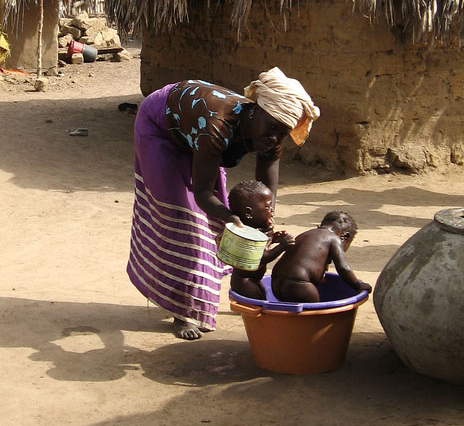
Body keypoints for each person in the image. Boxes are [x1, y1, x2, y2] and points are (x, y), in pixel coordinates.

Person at [127, 67, 320, 340]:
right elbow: (204, 193)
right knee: (186, 222)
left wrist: (265, 224)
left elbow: (265, 192)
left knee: (222, 221)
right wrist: (232, 219)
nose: (276, 138)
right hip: (160, 126)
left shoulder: (270, 132)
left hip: (194, 129)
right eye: (273, 128)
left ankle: (197, 294)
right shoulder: (217, 125)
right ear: (255, 110)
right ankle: (182, 311)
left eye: (284, 133)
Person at [270, 211, 371, 303]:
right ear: (345, 236)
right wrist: (358, 285)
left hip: (276, 284)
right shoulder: (334, 238)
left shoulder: (306, 234)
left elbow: (306, 258)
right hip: (301, 285)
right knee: (314, 317)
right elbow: (343, 268)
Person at [227, 180, 295, 301]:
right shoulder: (246, 234)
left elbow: (265, 242)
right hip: (244, 282)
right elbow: (260, 258)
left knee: (262, 298)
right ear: (249, 213)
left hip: (254, 279)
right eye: (267, 207)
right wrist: (281, 247)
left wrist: (273, 238)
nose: (272, 210)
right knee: (259, 303)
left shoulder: (259, 230)